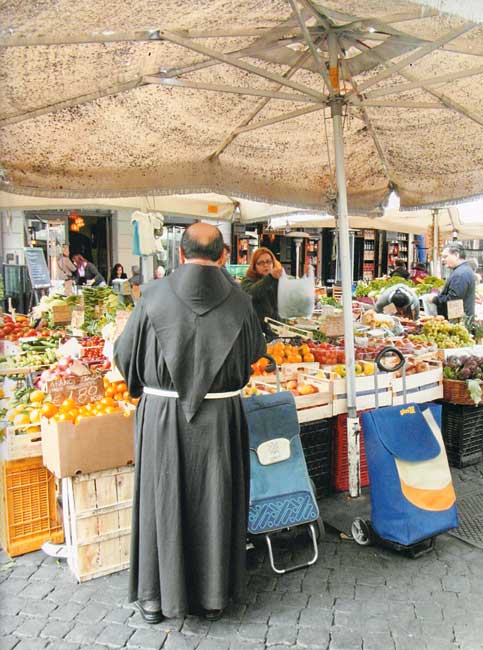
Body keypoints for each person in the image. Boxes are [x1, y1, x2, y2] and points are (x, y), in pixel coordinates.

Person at [114, 223, 265, 623]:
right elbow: (253, 354)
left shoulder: (151, 296)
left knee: (161, 498)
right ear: (223, 255)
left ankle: (153, 598)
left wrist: (146, 385)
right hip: (220, 420)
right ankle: (213, 596)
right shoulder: (241, 300)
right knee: (216, 498)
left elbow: (126, 356)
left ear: (179, 254)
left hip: (163, 418)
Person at [241, 247, 282, 335]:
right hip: (257, 333)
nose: (266, 265)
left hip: (278, 331)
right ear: (254, 266)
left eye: (268, 261)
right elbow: (251, 293)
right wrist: (270, 277)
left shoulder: (278, 280)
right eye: (261, 263)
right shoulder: (247, 280)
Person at [428, 243, 476, 319]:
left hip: (459, 321)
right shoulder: (463, 270)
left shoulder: (460, 274)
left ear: (456, 255)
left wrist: (435, 299)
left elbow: (453, 300)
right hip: (460, 319)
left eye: (445, 256)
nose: (443, 260)